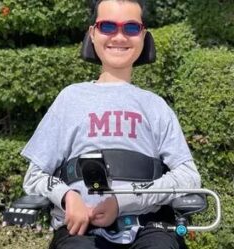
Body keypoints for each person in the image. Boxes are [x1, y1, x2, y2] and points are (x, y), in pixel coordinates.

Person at [21, 0, 201, 248]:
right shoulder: (70, 99)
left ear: (143, 35)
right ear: (92, 33)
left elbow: (188, 176)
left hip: (148, 226)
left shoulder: (155, 106)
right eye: (107, 26)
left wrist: (123, 202)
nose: (118, 36)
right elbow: (35, 176)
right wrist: (67, 197)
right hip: (81, 230)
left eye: (130, 28)